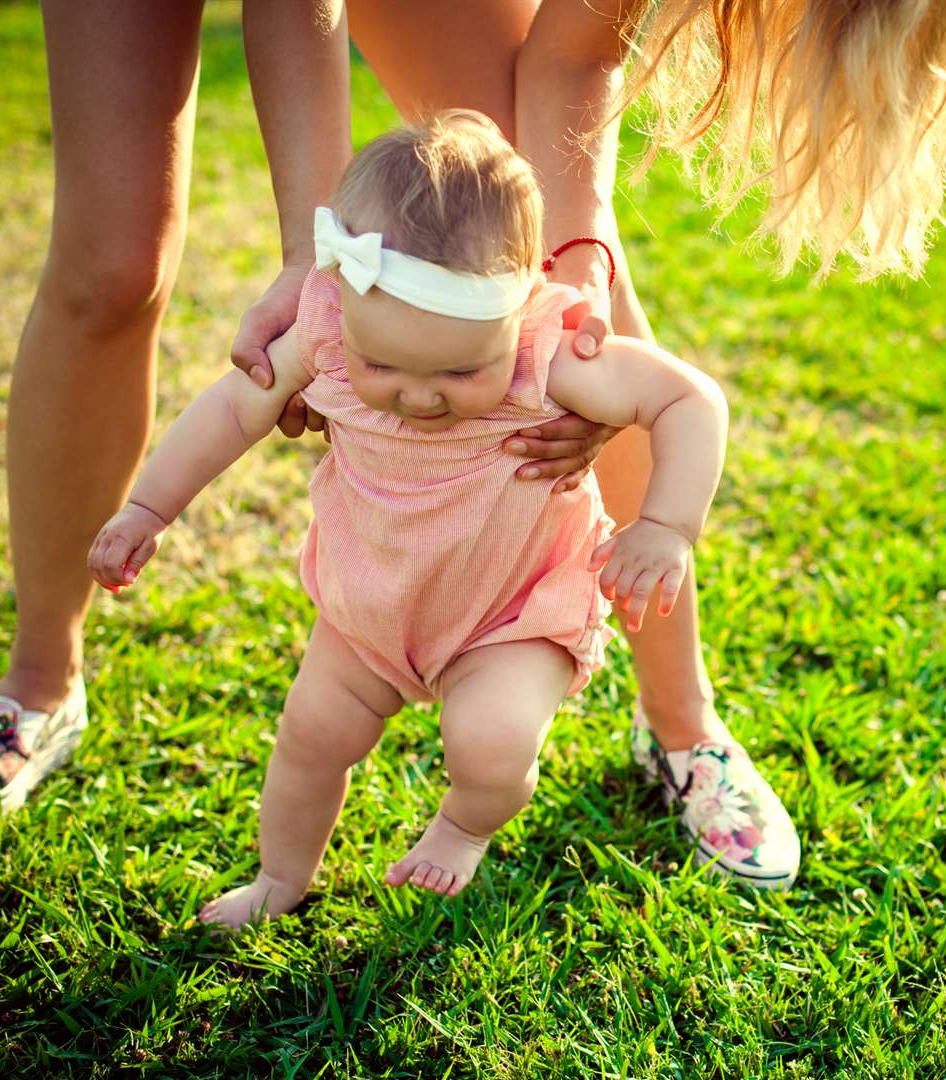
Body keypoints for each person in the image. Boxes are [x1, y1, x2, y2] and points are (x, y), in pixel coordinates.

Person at [0, 0, 946, 890]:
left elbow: (567, 62)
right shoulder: (337, 347)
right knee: (113, 261)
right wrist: (324, 265)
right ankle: (37, 683)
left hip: (520, 612)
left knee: (570, 315)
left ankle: (681, 726)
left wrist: (579, 256)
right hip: (368, 614)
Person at [89, 112, 735, 923]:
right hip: (370, 607)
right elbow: (231, 411)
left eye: (462, 370)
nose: (419, 395)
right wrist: (151, 505)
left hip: (512, 611)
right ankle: (279, 880)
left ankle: (463, 827)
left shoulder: (548, 350)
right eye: (381, 364)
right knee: (310, 737)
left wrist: (666, 525)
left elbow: (690, 398)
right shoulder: (325, 325)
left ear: (524, 300)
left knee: (491, 746)